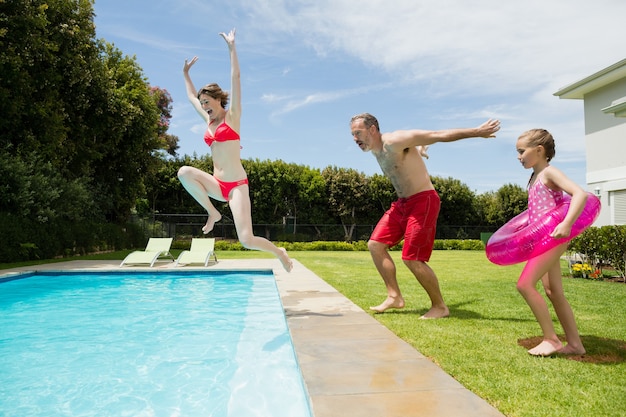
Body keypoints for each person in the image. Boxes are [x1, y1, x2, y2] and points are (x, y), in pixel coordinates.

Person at [349, 113, 500, 318]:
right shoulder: (376, 151)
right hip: (402, 204)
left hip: (423, 201)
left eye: (358, 133)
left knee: (412, 258)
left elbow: (436, 134)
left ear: (373, 129)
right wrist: (418, 151)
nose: (355, 138)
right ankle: (394, 297)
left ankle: (439, 306)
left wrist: (477, 132)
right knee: (375, 245)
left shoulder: (394, 141)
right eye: (352, 134)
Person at [178, 29, 292, 272]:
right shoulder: (208, 121)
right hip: (217, 185)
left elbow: (236, 78)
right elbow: (190, 96)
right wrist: (186, 74)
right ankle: (212, 212)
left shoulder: (234, 116)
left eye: (208, 101)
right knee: (184, 172)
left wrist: (232, 48)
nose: (204, 105)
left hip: (236, 186)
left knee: (246, 239)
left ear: (219, 100)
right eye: (203, 103)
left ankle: (278, 252)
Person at [514, 128, 587, 356]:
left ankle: (551, 339)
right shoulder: (535, 177)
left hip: (552, 238)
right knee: (553, 291)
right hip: (542, 238)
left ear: (539, 150)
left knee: (524, 285)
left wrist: (566, 224)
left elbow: (580, 194)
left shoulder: (549, 172)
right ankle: (575, 345)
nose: (518, 157)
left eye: (521, 151)